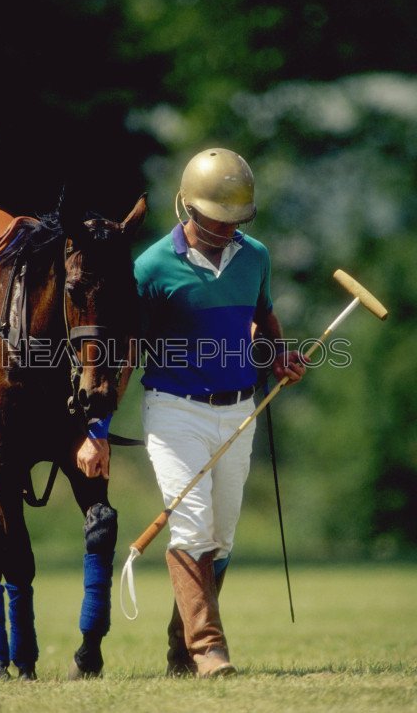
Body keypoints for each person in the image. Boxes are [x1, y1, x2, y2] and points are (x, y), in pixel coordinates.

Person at [133, 148, 306, 678]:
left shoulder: (255, 256)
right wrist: (95, 428)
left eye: (236, 220)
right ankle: (209, 649)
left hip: (239, 411)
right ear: (187, 207)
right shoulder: (151, 267)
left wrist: (279, 356)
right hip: (174, 411)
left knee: (221, 538)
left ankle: (181, 648)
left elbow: (264, 316)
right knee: (191, 526)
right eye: (216, 219)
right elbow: (126, 348)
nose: (227, 230)